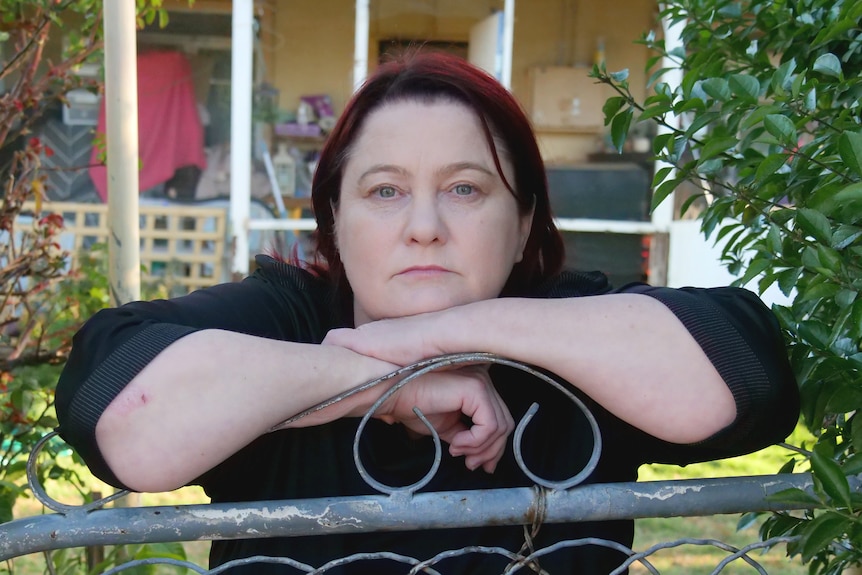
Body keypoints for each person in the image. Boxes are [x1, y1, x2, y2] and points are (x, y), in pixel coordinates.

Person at [55, 51, 800, 574]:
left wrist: (441, 334)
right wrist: (395, 385)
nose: (423, 226)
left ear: (524, 223)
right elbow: (113, 404)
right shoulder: (288, 316)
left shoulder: (573, 331)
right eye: (384, 191)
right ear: (335, 224)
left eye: (466, 189)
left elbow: (750, 375)